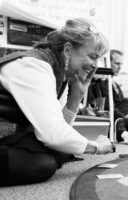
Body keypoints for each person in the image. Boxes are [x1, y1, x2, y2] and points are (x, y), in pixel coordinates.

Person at [0, 18, 115, 186]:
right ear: (68, 50)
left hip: (13, 135)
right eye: (92, 57)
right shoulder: (33, 66)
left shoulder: (59, 71)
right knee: (43, 163)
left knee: (61, 152)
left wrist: (77, 95)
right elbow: (53, 135)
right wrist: (95, 147)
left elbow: (60, 128)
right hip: (5, 133)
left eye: (98, 59)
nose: (94, 65)